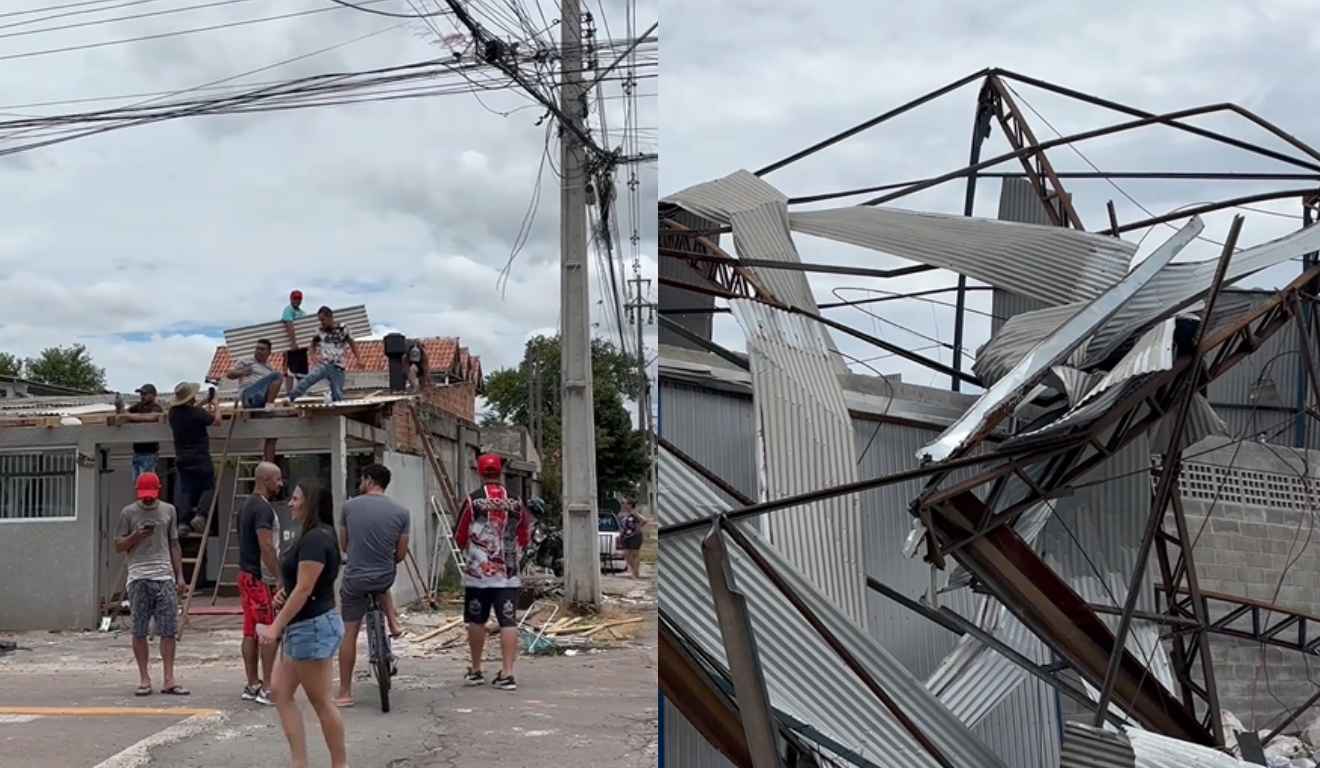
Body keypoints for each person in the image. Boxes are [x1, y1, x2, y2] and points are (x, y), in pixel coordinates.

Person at [259, 482, 348, 768]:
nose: (290, 503)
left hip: (311, 627)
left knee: (321, 700)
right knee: (280, 691)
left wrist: (275, 626)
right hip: (305, 626)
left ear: (309, 502)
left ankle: (339, 764)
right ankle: (300, 762)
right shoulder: (314, 536)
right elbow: (302, 585)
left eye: (296, 498)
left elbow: (304, 588)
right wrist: (284, 595)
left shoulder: (315, 539)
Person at [334, 463, 409, 708]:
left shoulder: (349, 507)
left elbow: (344, 545)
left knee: (350, 633)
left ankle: (345, 692)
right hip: (384, 576)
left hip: (355, 579)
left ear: (368, 480)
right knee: (381, 581)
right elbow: (401, 553)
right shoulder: (401, 512)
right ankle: (393, 622)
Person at [455, 453, 531, 691]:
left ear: (479, 472)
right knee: (508, 621)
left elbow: (460, 534)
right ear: (500, 473)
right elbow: (525, 535)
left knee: (476, 620)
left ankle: (477, 670)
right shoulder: (516, 502)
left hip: (478, 575)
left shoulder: (473, 501)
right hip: (508, 574)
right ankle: (508, 673)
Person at [114, 472, 190, 697]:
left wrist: (180, 576)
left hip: (164, 576)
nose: (148, 500)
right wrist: (135, 536)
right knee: (139, 629)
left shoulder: (169, 510)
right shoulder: (128, 513)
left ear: (159, 490)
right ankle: (144, 678)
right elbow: (118, 545)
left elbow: (174, 543)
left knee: (168, 629)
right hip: (138, 577)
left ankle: (169, 679)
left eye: (151, 495)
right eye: (144, 496)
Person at [238, 462, 286, 706]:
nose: (281, 484)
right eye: (277, 479)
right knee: (268, 632)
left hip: (246, 576)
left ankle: (252, 683)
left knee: (250, 631)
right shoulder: (263, 509)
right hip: (259, 578)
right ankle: (267, 687)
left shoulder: (246, 504)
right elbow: (266, 546)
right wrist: (278, 577)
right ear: (266, 480)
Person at [168, 382, 220, 534]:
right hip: (200, 457)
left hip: (182, 458)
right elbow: (217, 421)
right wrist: (216, 404)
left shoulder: (173, 413)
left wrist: (204, 401)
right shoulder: (196, 413)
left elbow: (192, 409)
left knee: (185, 490)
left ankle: (183, 523)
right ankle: (201, 515)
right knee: (209, 486)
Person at [286, 306, 359, 403]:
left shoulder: (343, 328)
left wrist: (359, 359)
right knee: (308, 379)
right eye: (320, 320)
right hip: (324, 364)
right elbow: (312, 345)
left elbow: (352, 343)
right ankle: (291, 397)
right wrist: (313, 357)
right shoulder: (319, 331)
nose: (322, 323)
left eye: (323, 320)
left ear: (330, 317)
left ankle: (337, 410)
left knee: (337, 392)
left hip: (338, 366)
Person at [226, 338, 284, 409]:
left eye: (262, 349)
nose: (259, 351)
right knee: (277, 375)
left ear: (269, 352)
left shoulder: (269, 367)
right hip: (249, 395)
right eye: (257, 349)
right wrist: (242, 372)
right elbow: (229, 374)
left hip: (262, 398)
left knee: (276, 377)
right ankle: (269, 405)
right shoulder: (246, 361)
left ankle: (267, 405)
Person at [124, 384, 163, 479]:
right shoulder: (138, 406)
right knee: (138, 483)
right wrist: (121, 409)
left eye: (144, 394)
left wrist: (131, 417)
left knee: (147, 483)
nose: (142, 396)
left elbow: (151, 417)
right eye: (141, 394)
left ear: (153, 395)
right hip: (137, 451)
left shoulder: (156, 407)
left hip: (149, 452)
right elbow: (124, 413)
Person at [282, 290, 309, 394]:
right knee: (290, 372)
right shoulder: (288, 310)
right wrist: (293, 343)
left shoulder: (302, 313)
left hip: (301, 348)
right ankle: (289, 394)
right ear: (291, 299)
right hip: (292, 348)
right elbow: (289, 325)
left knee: (302, 373)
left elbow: (305, 329)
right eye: (295, 298)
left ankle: (302, 393)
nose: (297, 300)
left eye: (299, 298)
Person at [617, 499, 649, 580]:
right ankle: (634, 571)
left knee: (635, 554)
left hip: (635, 536)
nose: (624, 505)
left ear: (630, 505)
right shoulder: (622, 514)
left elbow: (644, 520)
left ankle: (635, 573)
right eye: (623, 503)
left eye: (625, 503)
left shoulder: (634, 512)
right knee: (626, 554)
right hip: (625, 537)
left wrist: (638, 527)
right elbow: (622, 526)